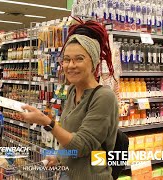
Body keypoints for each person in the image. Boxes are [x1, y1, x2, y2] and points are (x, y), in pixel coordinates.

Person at [21, 17, 119, 180]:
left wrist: (47, 122)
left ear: (93, 62)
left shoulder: (104, 97)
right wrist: (60, 157)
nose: (71, 65)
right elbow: (70, 135)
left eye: (79, 59)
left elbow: (81, 146)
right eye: (66, 59)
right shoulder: (72, 90)